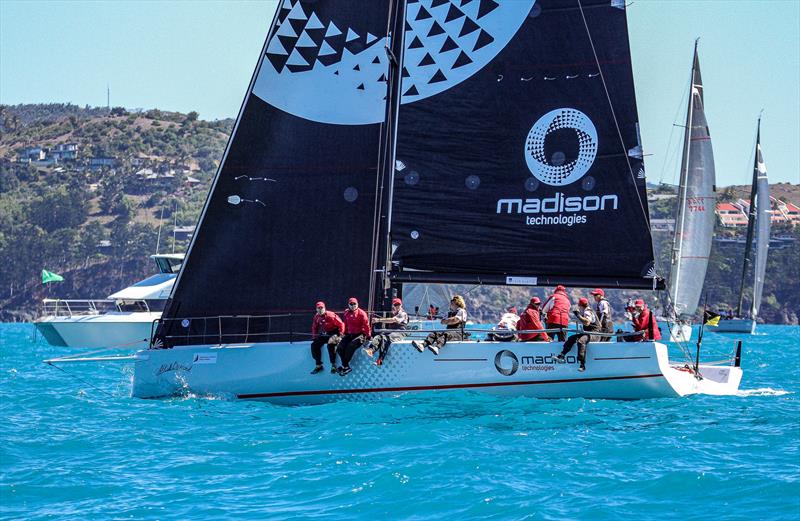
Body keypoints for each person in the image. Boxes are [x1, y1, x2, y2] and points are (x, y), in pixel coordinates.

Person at [556, 297, 600, 372]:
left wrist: (578, 315)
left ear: (580, 306)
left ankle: (582, 364)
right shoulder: (587, 311)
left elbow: (587, 323)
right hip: (588, 333)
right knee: (571, 338)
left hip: (594, 334)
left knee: (581, 341)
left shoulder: (587, 312)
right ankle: (562, 355)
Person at [367, 297, 409, 366]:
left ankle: (380, 360)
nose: (397, 306)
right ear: (393, 306)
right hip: (392, 332)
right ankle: (371, 350)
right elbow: (390, 320)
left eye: (398, 304)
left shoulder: (403, 314)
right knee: (379, 336)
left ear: (401, 305)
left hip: (400, 332)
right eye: (395, 305)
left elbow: (393, 320)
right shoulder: (394, 313)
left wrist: (379, 320)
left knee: (386, 338)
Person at [335, 297, 371, 376]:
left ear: (357, 304)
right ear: (348, 305)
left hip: (361, 334)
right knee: (339, 348)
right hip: (350, 334)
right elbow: (345, 324)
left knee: (350, 346)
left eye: (354, 304)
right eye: (351, 304)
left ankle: (345, 366)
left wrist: (368, 336)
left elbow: (366, 326)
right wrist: (343, 333)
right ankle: (346, 366)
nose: (353, 305)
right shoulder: (346, 313)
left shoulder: (362, 313)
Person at [309, 301, 345, 374]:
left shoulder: (331, 315)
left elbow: (341, 324)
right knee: (314, 345)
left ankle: (333, 365)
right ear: (316, 309)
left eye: (321, 308)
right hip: (327, 333)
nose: (320, 309)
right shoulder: (316, 316)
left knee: (330, 345)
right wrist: (314, 336)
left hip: (335, 332)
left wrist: (341, 335)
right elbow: (314, 327)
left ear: (324, 308)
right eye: (318, 308)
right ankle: (319, 365)